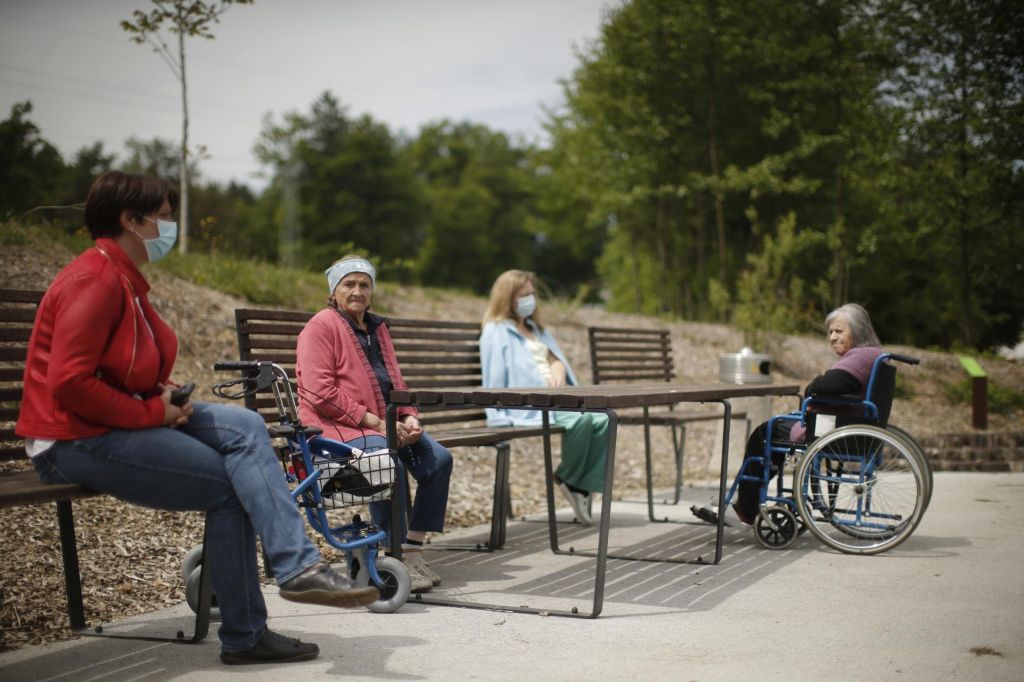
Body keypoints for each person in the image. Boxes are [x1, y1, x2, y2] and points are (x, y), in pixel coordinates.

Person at [15, 171, 378, 667]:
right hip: (73, 439)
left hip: (118, 418)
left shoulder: (122, 276)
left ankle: (294, 572)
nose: (170, 226)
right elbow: (70, 385)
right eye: (163, 216)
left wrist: (160, 393)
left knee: (247, 428)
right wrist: (151, 410)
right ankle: (251, 627)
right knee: (232, 487)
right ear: (130, 219)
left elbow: (116, 364)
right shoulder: (95, 280)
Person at [295, 256, 453, 593]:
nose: (357, 291)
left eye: (364, 284)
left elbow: (396, 380)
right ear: (333, 291)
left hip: (386, 423)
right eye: (348, 284)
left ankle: (410, 551)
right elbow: (318, 391)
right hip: (338, 429)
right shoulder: (321, 326)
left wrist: (409, 416)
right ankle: (390, 552)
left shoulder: (378, 328)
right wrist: (376, 423)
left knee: (439, 460)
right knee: (386, 460)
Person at [692, 303, 884, 526]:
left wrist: (813, 387)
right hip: (846, 424)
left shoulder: (860, 356)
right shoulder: (873, 354)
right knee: (774, 430)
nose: (832, 337)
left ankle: (746, 508)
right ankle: (746, 499)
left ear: (858, 331)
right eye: (830, 331)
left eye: (839, 331)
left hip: (835, 429)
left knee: (765, 432)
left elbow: (830, 384)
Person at [479, 270, 608, 526]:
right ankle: (570, 481)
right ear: (508, 298)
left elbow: (554, 359)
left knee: (603, 419)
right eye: (524, 294)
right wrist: (496, 410)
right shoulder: (496, 331)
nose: (531, 299)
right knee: (581, 421)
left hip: (557, 397)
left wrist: (558, 369)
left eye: (532, 293)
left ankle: (576, 483)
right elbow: (493, 374)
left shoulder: (536, 330)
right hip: (530, 402)